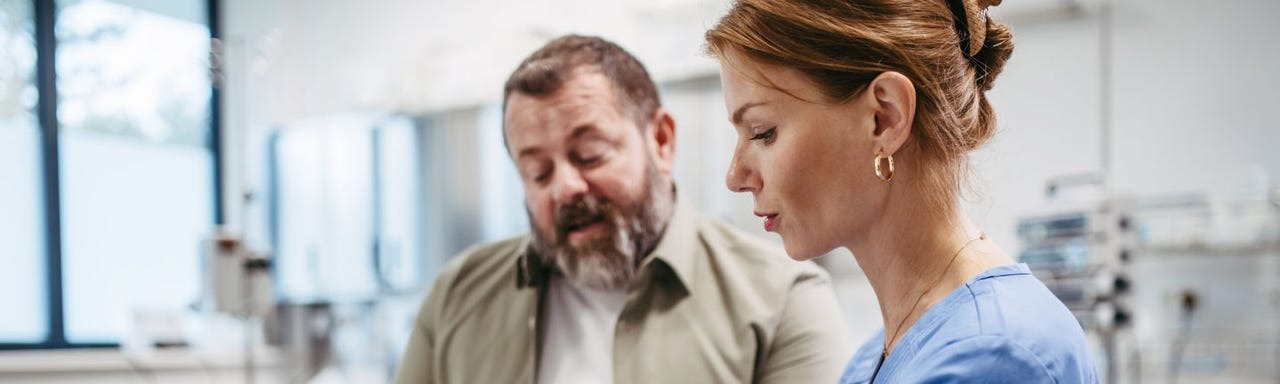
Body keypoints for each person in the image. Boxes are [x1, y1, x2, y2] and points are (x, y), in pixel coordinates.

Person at [394, 34, 850, 384]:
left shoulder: (784, 300)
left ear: (662, 140)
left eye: (589, 154)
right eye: (538, 172)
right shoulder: (456, 297)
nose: (566, 188)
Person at [705, 0, 1099, 383]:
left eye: (763, 133)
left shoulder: (993, 356)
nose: (735, 177)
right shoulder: (884, 352)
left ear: (884, 118)